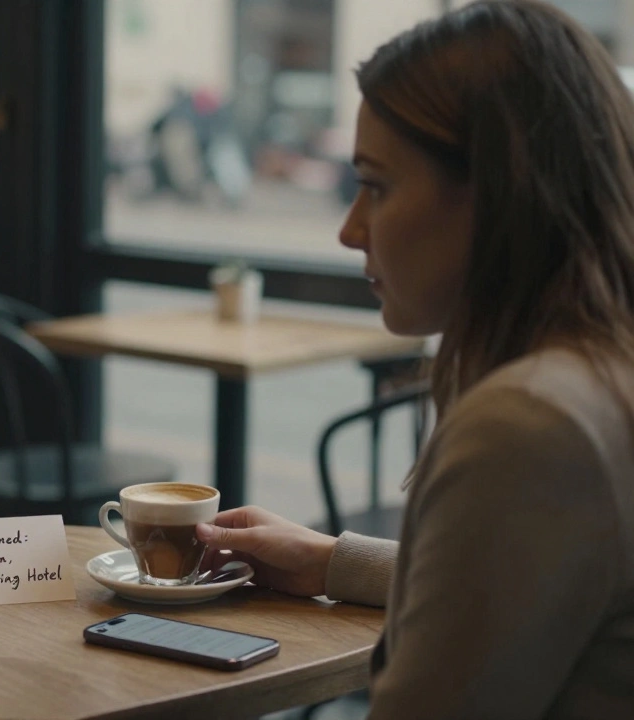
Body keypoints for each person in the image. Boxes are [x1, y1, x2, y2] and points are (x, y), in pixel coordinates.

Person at [196, 1, 634, 716]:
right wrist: (332, 562)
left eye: (376, 185)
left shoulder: (532, 425)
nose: (349, 230)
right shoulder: (602, 373)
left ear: (497, 191)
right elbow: (533, 583)